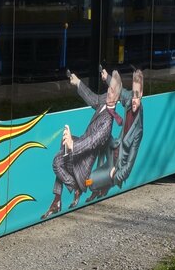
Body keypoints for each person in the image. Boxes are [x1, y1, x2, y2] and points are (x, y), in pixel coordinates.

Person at [43, 69, 123, 218]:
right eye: (109, 88)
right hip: (81, 144)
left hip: (84, 160)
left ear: (117, 97)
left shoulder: (107, 123)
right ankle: (57, 199)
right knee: (63, 145)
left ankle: (76, 186)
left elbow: (91, 142)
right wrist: (78, 82)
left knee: (57, 162)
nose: (108, 92)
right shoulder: (105, 101)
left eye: (112, 91)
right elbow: (93, 99)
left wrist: (73, 145)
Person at [86, 68, 144, 202]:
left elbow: (129, 166)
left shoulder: (138, 131)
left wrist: (115, 176)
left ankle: (102, 185)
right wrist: (107, 77)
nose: (134, 99)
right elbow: (120, 90)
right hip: (114, 148)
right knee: (102, 136)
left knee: (90, 181)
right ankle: (100, 183)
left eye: (137, 95)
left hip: (117, 165)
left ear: (141, 94)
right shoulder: (130, 99)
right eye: (133, 94)